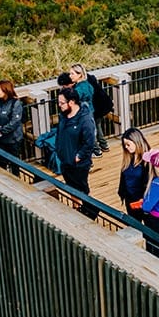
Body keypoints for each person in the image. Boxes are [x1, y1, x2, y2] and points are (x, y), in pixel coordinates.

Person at [55, 86, 98, 219]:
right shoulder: (63, 116)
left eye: (62, 103)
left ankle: (91, 210)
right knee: (71, 188)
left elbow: (89, 142)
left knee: (82, 189)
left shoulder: (85, 120)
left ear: (72, 102)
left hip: (78, 164)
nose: (59, 106)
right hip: (65, 160)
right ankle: (77, 209)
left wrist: (78, 157)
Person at [0, 79, 24, 175]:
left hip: (12, 140)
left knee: (14, 164)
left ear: (6, 91)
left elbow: (14, 122)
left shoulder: (15, 103)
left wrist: (1, 130)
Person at [117, 127, 151, 220]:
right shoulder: (128, 159)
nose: (126, 147)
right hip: (130, 200)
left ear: (136, 141)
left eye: (128, 144)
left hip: (142, 200)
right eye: (125, 145)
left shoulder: (147, 161)